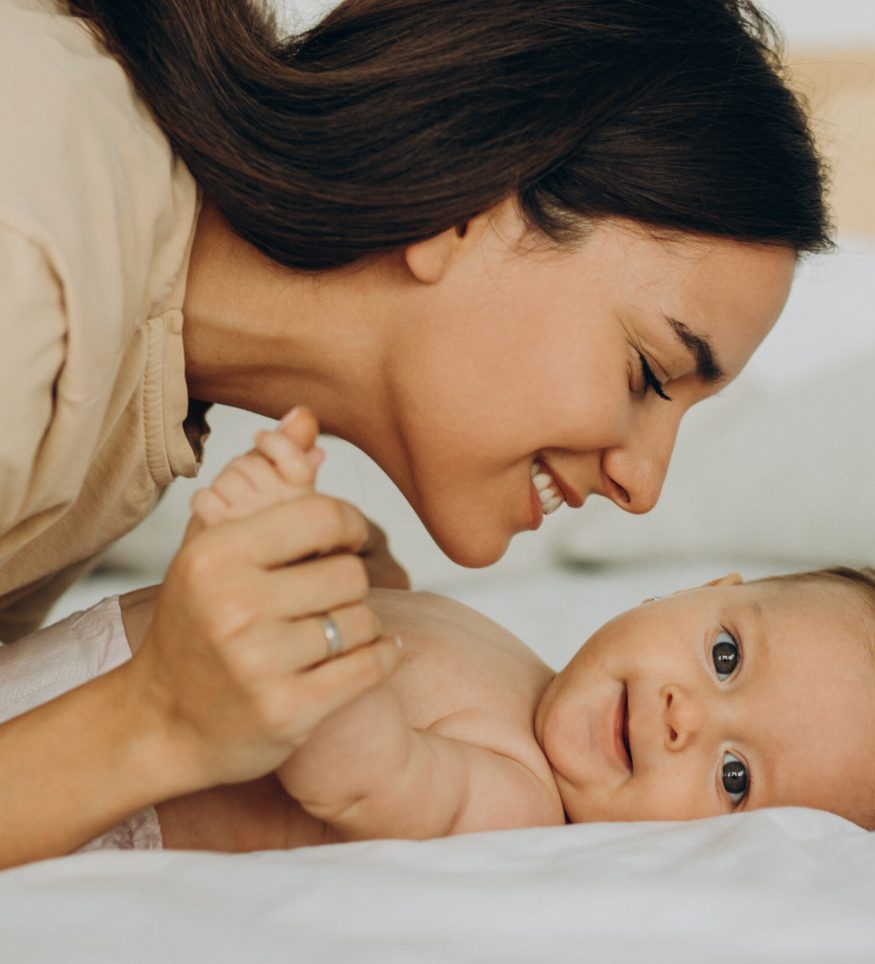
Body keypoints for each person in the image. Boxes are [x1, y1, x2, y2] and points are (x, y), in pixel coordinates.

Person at [0, 0, 832, 866]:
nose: (644, 484)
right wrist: (156, 716)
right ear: (467, 203)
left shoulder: (147, 395)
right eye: (649, 374)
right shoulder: (31, 278)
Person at [0, 420, 875, 858]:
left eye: (735, 777)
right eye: (724, 659)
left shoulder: (517, 800)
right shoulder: (522, 666)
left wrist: (282, 574)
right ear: (701, 590)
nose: (685, 719)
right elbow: (416, 648)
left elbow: (360, 770)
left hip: (75, 797)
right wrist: (370, 573)